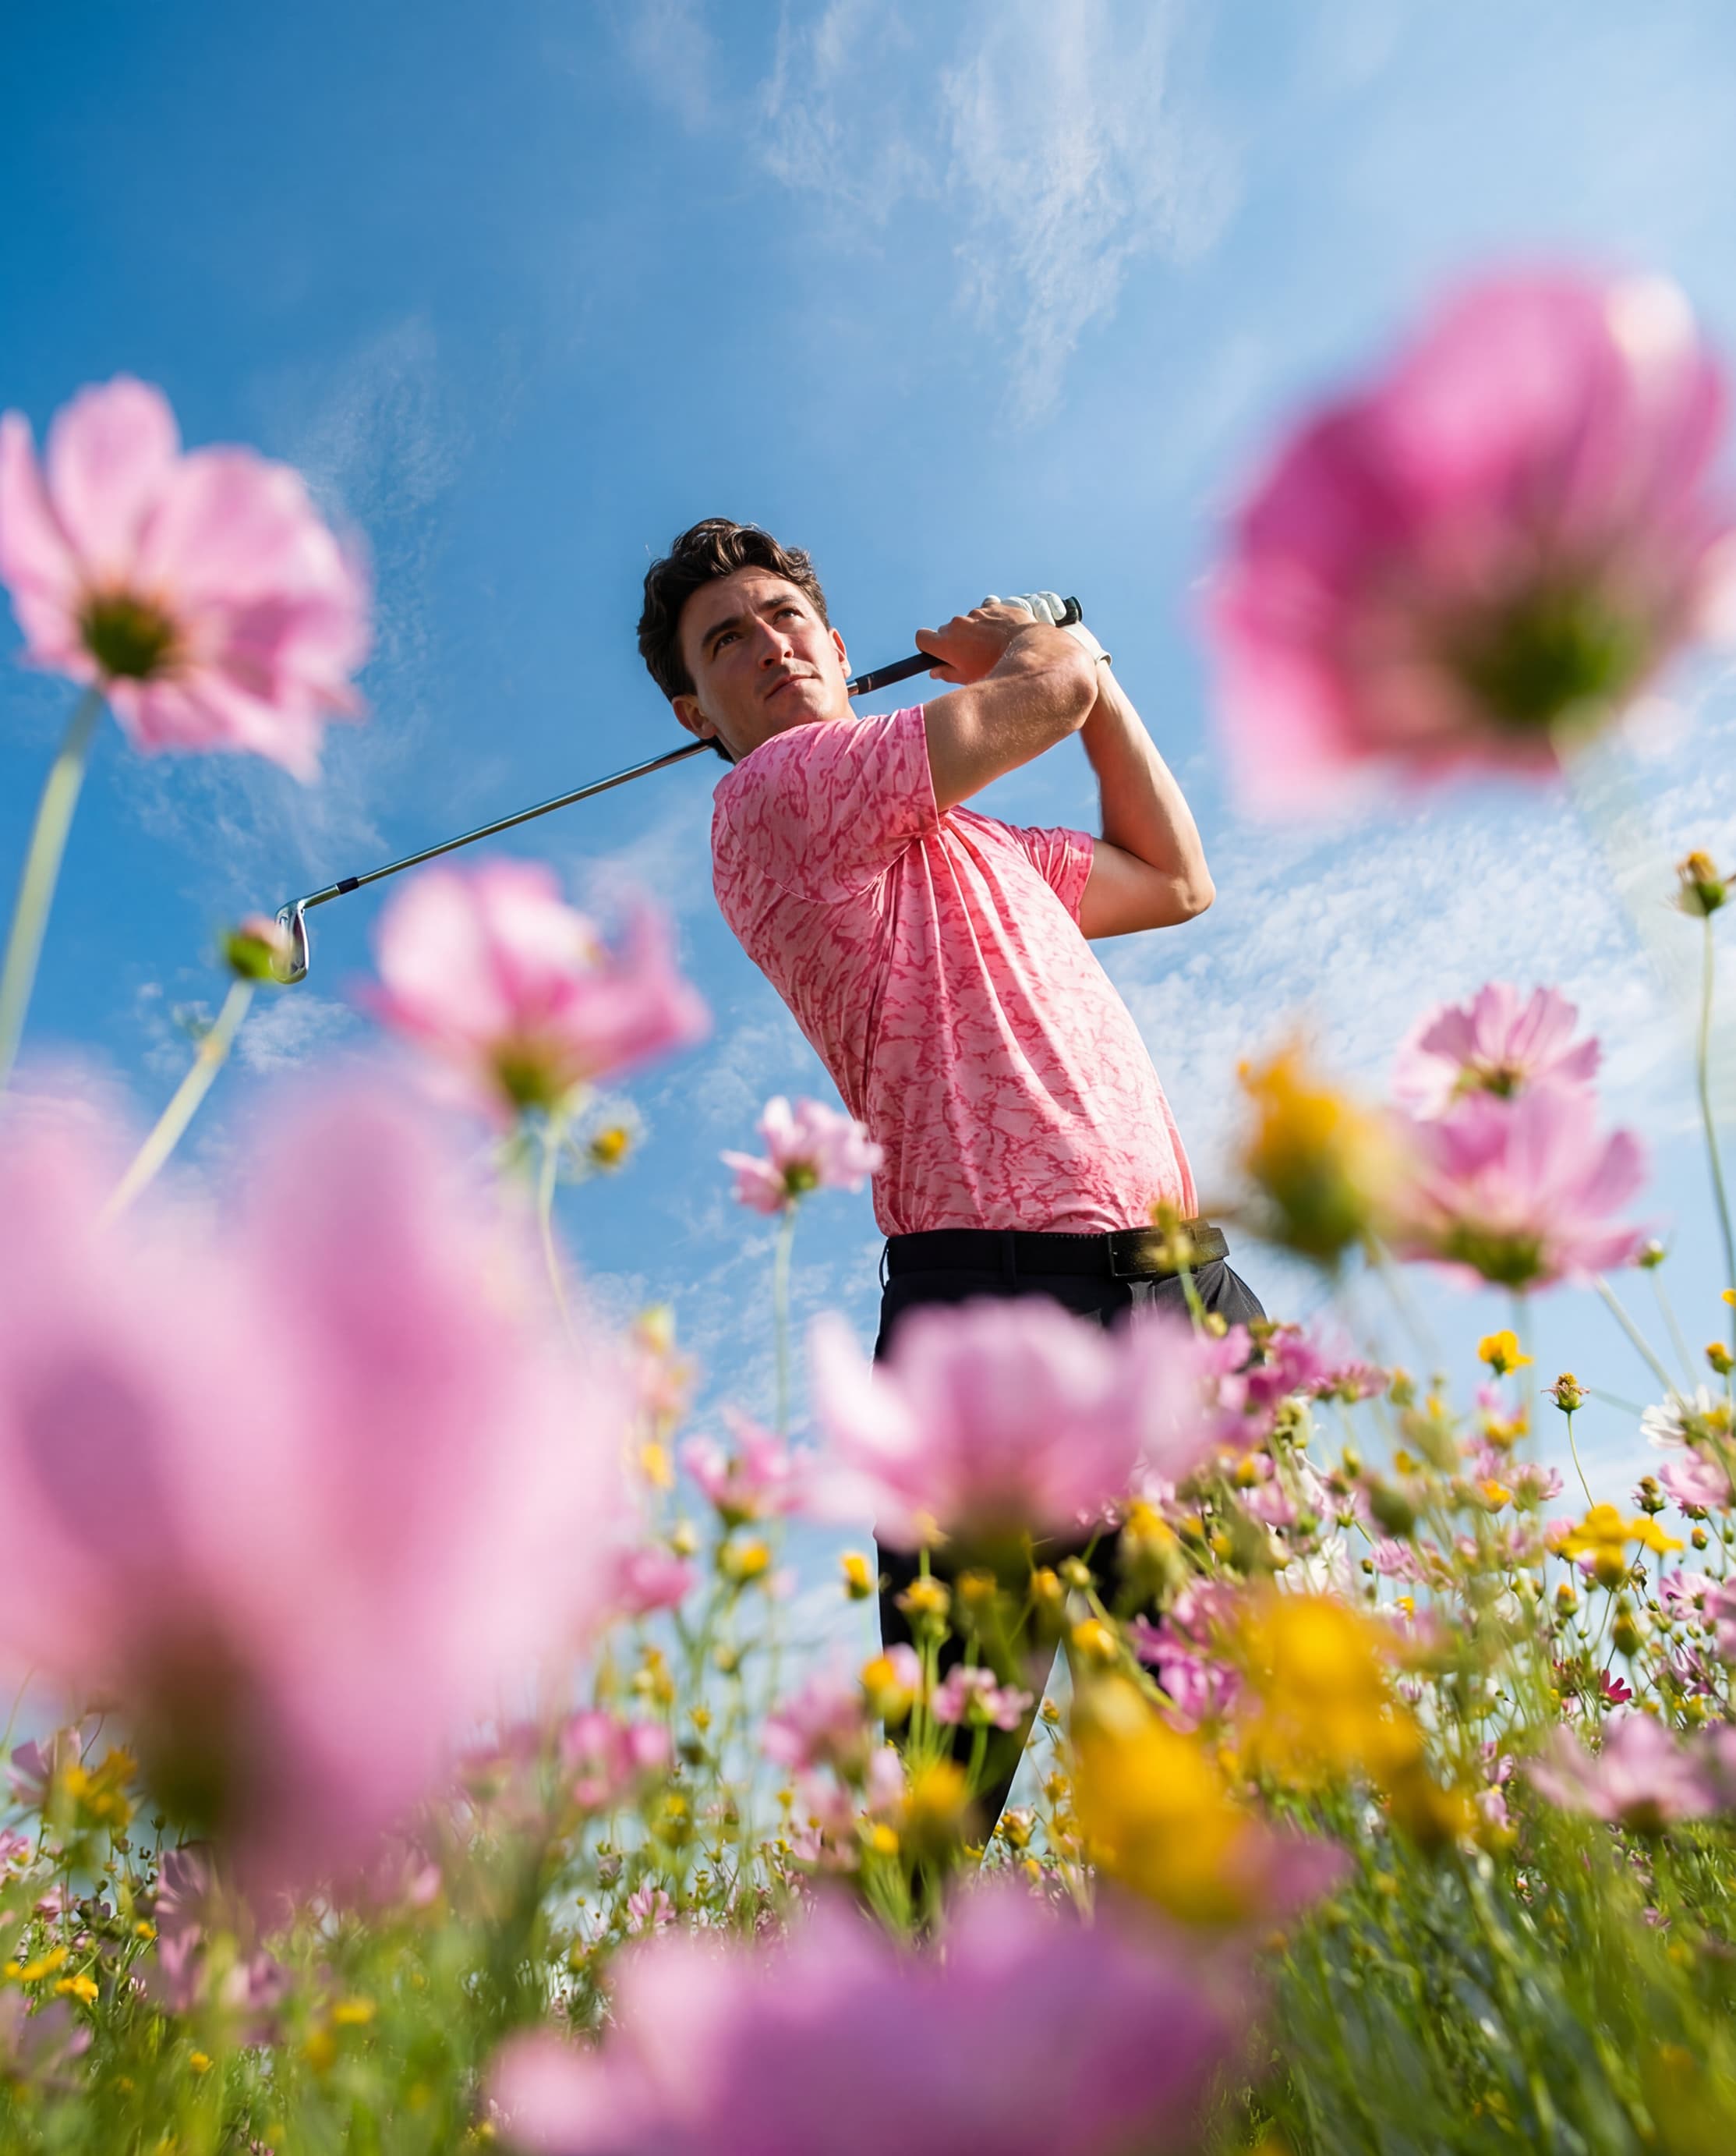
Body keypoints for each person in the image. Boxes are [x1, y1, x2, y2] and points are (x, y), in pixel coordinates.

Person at [636, 518, 1262, 1828]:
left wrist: (1090, 673)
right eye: (727, 642)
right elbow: (1049, 690)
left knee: (1228, 1746)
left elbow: (1176, 878)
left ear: (836, 646)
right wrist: (1039, 648)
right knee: (940, 1799)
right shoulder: (775, 796)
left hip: (1179, 1286)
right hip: (995, 1305)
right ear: (698, 715)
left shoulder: (983, 847)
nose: (769, 646)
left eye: (785, 618)